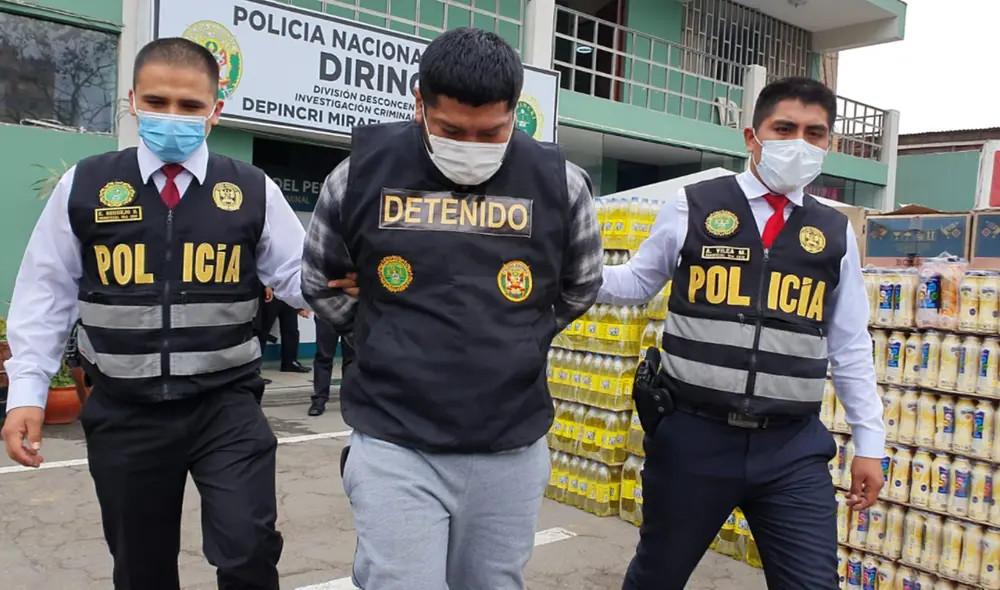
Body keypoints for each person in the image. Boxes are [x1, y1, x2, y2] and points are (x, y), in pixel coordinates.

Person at [0, 37, 308, 590]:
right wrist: (27, 392)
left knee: (249, 550)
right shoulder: (87, 186)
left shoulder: (252, 189)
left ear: (216, 110)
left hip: (226, 406)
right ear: (133, 99)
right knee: (140, 570)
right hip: (125, 409)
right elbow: (45, 291)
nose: (173, 116)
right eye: (157, 101)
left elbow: (300, 275)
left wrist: (362, 288)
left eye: (190, 106)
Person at [302, 27, 603, 590]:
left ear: (517, 112)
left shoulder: (561, 184)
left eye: (491, 132)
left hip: (510, 445)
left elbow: (580, 286)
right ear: (419, 104)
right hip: (396, 440)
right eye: (450, 130)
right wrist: (385, 332)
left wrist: (513, 333)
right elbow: (321, 280)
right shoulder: (359, 177)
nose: (471, 145)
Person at [603, 77, 885, 590]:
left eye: (814, 133)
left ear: (829, 145)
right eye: (784, 128)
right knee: (656, 577)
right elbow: (635, 282)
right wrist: (559, 272)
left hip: (792, 449)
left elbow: (848, 345)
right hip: (693, 437)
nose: (799, 142)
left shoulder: (835, 232)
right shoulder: (695, 205)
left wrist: (870, 442)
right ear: (751, 137)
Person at [259, 286, 311, 374]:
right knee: (262, 330)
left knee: (291, 329)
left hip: (287, 292)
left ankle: (290, 362)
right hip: (271, 291)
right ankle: (254, 368)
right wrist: (266, 285)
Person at [308, 316, 354, 416]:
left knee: (351, 359)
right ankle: (319, 399)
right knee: (323, 357)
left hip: (352, 314)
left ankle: (349, 399)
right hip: (326, 313)